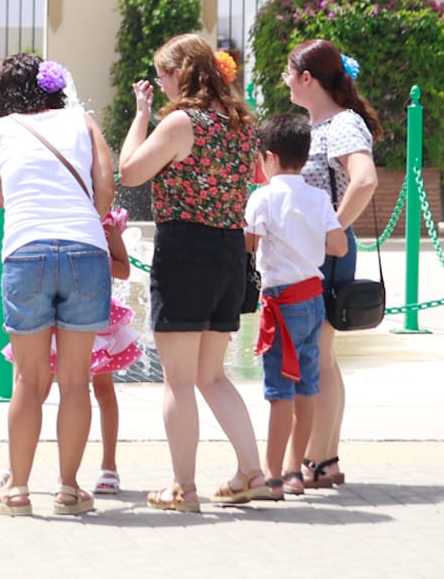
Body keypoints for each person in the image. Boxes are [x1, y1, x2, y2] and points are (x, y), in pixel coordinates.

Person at [118, 32, 263, 512]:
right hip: (228, 251)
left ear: (181, 72)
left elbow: (130, 172)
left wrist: (140, 116)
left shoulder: (184, 122)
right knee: (212, 375)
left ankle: (184, 487)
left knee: (179, 379)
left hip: (185, 250)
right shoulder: (241, 124)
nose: (159, 86)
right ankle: (251, 472)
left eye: (162, 75)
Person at [0, 54, 113, 517]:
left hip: (26, 251)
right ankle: (69, 489)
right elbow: (106, 189)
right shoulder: (83, 121)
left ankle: (17, 491)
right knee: (76, 382)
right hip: (86, 251)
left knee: (28, 379)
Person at [0, 203, 143, 499]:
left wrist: (96, 259)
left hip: (94, 313)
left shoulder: (107, 221)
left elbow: (124, 269)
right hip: (56, 313)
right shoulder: (51, 213)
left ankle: (108, 465)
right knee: (38, 386)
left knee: (102, 389)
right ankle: (16, 467)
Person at [284, 38, 381, 490]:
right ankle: (324, 458)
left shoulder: (341, 125)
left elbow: (365, 178)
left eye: (289, 72)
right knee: (323, 356)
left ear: (308, 78)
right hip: (316, 253)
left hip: (325, 254)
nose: (285, 80)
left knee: (318, 357)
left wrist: (334, 228)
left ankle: (318, 459)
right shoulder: (323, 123)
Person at [245, 114, 348, 498]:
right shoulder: (318, 197)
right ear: (304, 159)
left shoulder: (263, 197)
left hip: (281, 303)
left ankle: (271, 475)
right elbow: (338, 246)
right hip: (313, 299)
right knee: (307, 387)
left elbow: (249, 244)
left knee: (278, 393)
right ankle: (293, 471)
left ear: (268, 157)